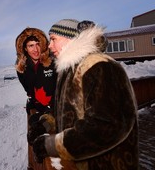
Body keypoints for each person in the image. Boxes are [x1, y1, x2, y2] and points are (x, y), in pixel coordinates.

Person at [31, 19, 139, 169]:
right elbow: (67, 113)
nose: (49, 46)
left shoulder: (100, 66)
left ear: (71, 38)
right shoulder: (70, 70)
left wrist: (52, 145)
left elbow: (106, 126)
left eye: (53, 39)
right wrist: (45, 124)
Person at [15, 27, 57, 170]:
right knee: (32, 136)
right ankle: (34, 165)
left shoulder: (52, 62)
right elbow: (29, 90)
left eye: (38, 44)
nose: (36, 49)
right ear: (25, 48)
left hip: (55, 109)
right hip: (36, 108)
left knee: (46, 140)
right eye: (31, 45)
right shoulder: (21, 67)